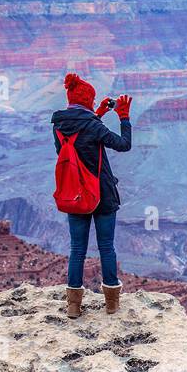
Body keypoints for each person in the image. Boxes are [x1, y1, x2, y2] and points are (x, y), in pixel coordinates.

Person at [52, 72, 133, 318]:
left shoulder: (59, 126)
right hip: (102, 196)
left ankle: (73, 306)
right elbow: (123, 144)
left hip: (75, 195)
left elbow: (76, 142)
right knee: (106, 246)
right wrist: (123, 117)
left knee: (77, 248)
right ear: (87, 99)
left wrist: (98, 114)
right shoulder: (93, 126)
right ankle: (111, 305)